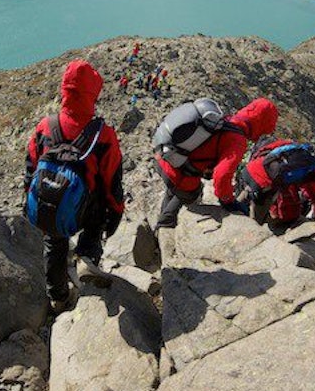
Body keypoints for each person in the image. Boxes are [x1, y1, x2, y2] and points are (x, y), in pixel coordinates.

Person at [24, 60, 125, 313]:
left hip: (49, 207)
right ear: (93, 94)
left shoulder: (45, 126)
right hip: (84, 211)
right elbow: (112, 181)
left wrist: (28, 201)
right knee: (97, 209)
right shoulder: (103, 134)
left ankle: (58, 298)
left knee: (54, 245)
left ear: (64, 90)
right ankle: (87, 256)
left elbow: (30, 168)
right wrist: (116, 212)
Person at [154, 98, 279, 229]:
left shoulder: (226, 120)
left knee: (174, 189)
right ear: (261, 124)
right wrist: (228, 201)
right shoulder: (237, 139)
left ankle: (160, 225)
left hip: (164, 157)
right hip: (177, 170)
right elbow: (222, 175)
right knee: (191, 193)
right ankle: (165, 227)